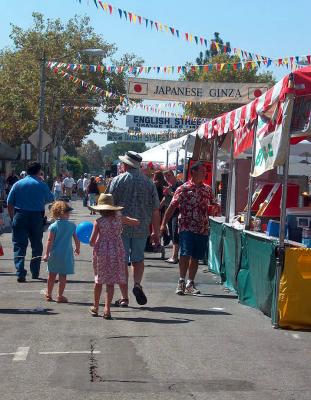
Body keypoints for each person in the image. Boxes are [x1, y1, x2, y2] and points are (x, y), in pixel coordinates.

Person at [109, 151, 160, 306]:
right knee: (138, 259)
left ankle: (124, 298)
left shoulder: (117, 180)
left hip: (121, 226)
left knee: (122, 262)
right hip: (142, 226)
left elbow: (109, 205)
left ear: (125, 165)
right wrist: (156, 231)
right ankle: (137, 284)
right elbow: (156, 209)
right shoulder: (148, 182)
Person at [161, 161, 219, 295]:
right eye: (202, 171)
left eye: (205, 171)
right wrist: (163, 224)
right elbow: (172, 207)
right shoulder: (183, 188)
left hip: (202, 227)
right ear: (193, 172)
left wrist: (215, 208)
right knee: (185, 253)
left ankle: (190, 283)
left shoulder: (207, 189)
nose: (205, 174)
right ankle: (181, 281)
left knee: (196, 256)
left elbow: (214, 204)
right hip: (186, 226)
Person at [89, 194, 139, 319]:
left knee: (99, 279)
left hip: (101, 252)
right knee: (110, 282)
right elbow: (135, 222)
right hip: (116, 250)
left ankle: (95, 306)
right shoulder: (119, 219)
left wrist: (94, 243)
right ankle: (107, 309)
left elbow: (91, 240)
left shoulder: (98, 222)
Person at [7, 162, 54, 282]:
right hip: (36, 217)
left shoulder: (18, 184)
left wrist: (13, 217)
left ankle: (20, 272)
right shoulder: (41, 184)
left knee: (19, 245)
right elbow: (51, 199)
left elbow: (10, 202)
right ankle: (35, 272)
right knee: (36, 245)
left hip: (20, 215)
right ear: (39, 172)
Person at [43, 201, 80, 302]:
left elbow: (50, 241)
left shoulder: (53, 226)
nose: (69, 214)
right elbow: (76, 238)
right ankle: (60, 296)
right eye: (68, 213)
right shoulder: (72, 226)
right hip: (66, 255)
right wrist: (78, 248)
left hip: (54, 254)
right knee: (63, 276)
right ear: (63, 213)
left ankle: (49, 294)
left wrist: (46, 254)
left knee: (51, 275)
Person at [163, 170, 183, 263]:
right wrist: (158, 206)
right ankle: (174, 256)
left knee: (175, 233)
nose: (167, 177)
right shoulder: (170, 186)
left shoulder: (179, 184)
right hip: (169, 212)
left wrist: (170, 192)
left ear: (173, 175)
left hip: (176, 212)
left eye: (168, 175)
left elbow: (179, 197)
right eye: (165, 176)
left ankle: (175, 257)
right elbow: (165, 198)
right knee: (172, 232)